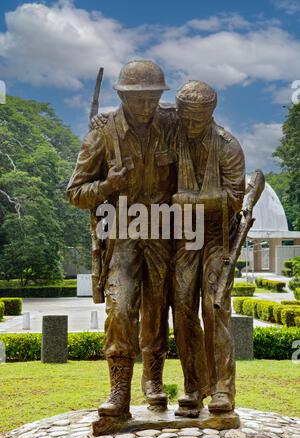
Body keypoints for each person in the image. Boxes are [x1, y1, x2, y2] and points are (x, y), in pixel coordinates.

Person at [67, 60, 177, 419]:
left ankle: (154, 381)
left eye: (152, 98)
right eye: (137, 99)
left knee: (157, 310)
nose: (146, 107)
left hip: (163, 231)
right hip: (121, 233)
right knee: (120, 309)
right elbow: (75, 192)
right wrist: (107, 186)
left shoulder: (171, 125)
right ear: (122, 96)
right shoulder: (102, 134)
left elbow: (202, 124)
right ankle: (118, 391)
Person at [172, 81, 245, 414]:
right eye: (185, 118)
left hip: (219, 236)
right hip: (185, 236)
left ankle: (222, 389)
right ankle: (192, 387)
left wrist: (191, 201)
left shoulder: (229, 147)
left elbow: (234, 199)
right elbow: (142, 113)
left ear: (210, 114)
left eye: (197, 120)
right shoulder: (173, 136)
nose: (189, 126)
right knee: (183, 306)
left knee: (215, 307)